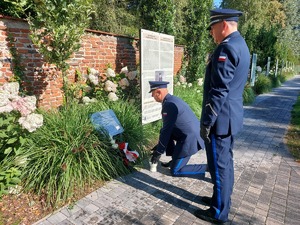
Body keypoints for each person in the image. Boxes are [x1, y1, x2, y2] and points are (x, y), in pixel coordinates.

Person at [193, 8, 251, 224]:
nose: (211, 33)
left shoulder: (225, 49)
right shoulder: (241, 45)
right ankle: (221, 200)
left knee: (219, 166)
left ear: (224, 24)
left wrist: (207, 122)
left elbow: (219, 91)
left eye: (213, 28)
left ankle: (218, 212)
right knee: (226, 163)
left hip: (220, 120)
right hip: (231, 117)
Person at [149, 81, 207, 178]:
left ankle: (208, 168)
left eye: (153, 93)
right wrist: (159, 146)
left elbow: (167, 131)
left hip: (190, 139)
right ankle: (175, 158)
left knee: (176, 171)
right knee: (163, 132)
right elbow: (166, 130)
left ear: (158, 92)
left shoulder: (169, 105)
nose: (152, 95)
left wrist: (158, 153)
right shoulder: (171, 100)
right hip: (188, 135)